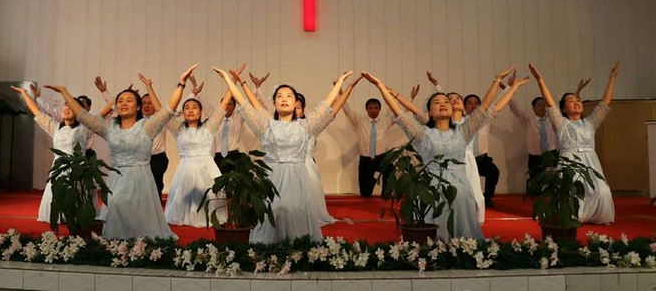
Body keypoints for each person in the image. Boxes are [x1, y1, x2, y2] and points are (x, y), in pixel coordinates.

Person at [362, 68, 528, 240]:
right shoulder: (421, 134)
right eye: (437, 102)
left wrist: (497, 81)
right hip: (431, 194)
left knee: (463, 242)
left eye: (446, 101)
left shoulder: (464, 131)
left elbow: (486, 106)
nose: (443, 103)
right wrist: (380, 86)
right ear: (430, 113)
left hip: (461, 193)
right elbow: (398, 112)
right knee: (433, 241)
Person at [44, 67, 197, 240]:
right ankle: (120, 245)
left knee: (129, 212)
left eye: (129, 100)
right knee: (117, 205)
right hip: (117, 178)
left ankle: (136, 245)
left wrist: (181, 83)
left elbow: (168, 109)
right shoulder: (109, 128)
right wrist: (65, 92)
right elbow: (83, 116)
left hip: (140, 177)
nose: (124, 102)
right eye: (121, 100)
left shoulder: (147, 126)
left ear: (138, 106)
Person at [216, 67, 355, 243]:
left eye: (289, 96)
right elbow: (244, 104)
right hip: (272, 178)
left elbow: (326, 107)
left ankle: (298, 249)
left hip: (298, 177)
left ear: (296, 102)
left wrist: (341, 84)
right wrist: (229, 80)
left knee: (295, 211)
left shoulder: (306, 126)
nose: (284, 99)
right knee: (275, 211)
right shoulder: (266, 125)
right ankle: (272, 251)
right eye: (280, 96)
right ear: (273, 102)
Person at [530, 62, 619, 224]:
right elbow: (550, 104)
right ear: (563, 109)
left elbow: (605, 103)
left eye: (578, 100)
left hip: (591, 161)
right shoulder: (561, 123)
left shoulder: (591, 122)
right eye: (571, 101)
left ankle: (597, 216)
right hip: (570, 160)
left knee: (602, 191)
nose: (577, 102)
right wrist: (540, 81)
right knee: (572, 191)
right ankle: (574, 217)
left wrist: (612, 78)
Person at [163, 66, 244, 227]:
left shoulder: (209, 127)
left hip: (207, 167)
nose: (190, 110)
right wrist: (181, 83)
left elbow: (223, 107)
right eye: (187, 108)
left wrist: (230, 80)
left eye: (194, 107)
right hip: (185, 170)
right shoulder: (178, 130)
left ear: (201, 112)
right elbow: (164, 112)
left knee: (209, 201)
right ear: (183, 112)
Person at [12, 86, 95, 224]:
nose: (66, 108)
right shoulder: (55, 127)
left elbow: (104, 114)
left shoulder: (84, 129)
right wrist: (24, 93)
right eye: (65, 105)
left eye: (71, 107)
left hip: (78, 169)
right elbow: (36, 111)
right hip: (59, 168)